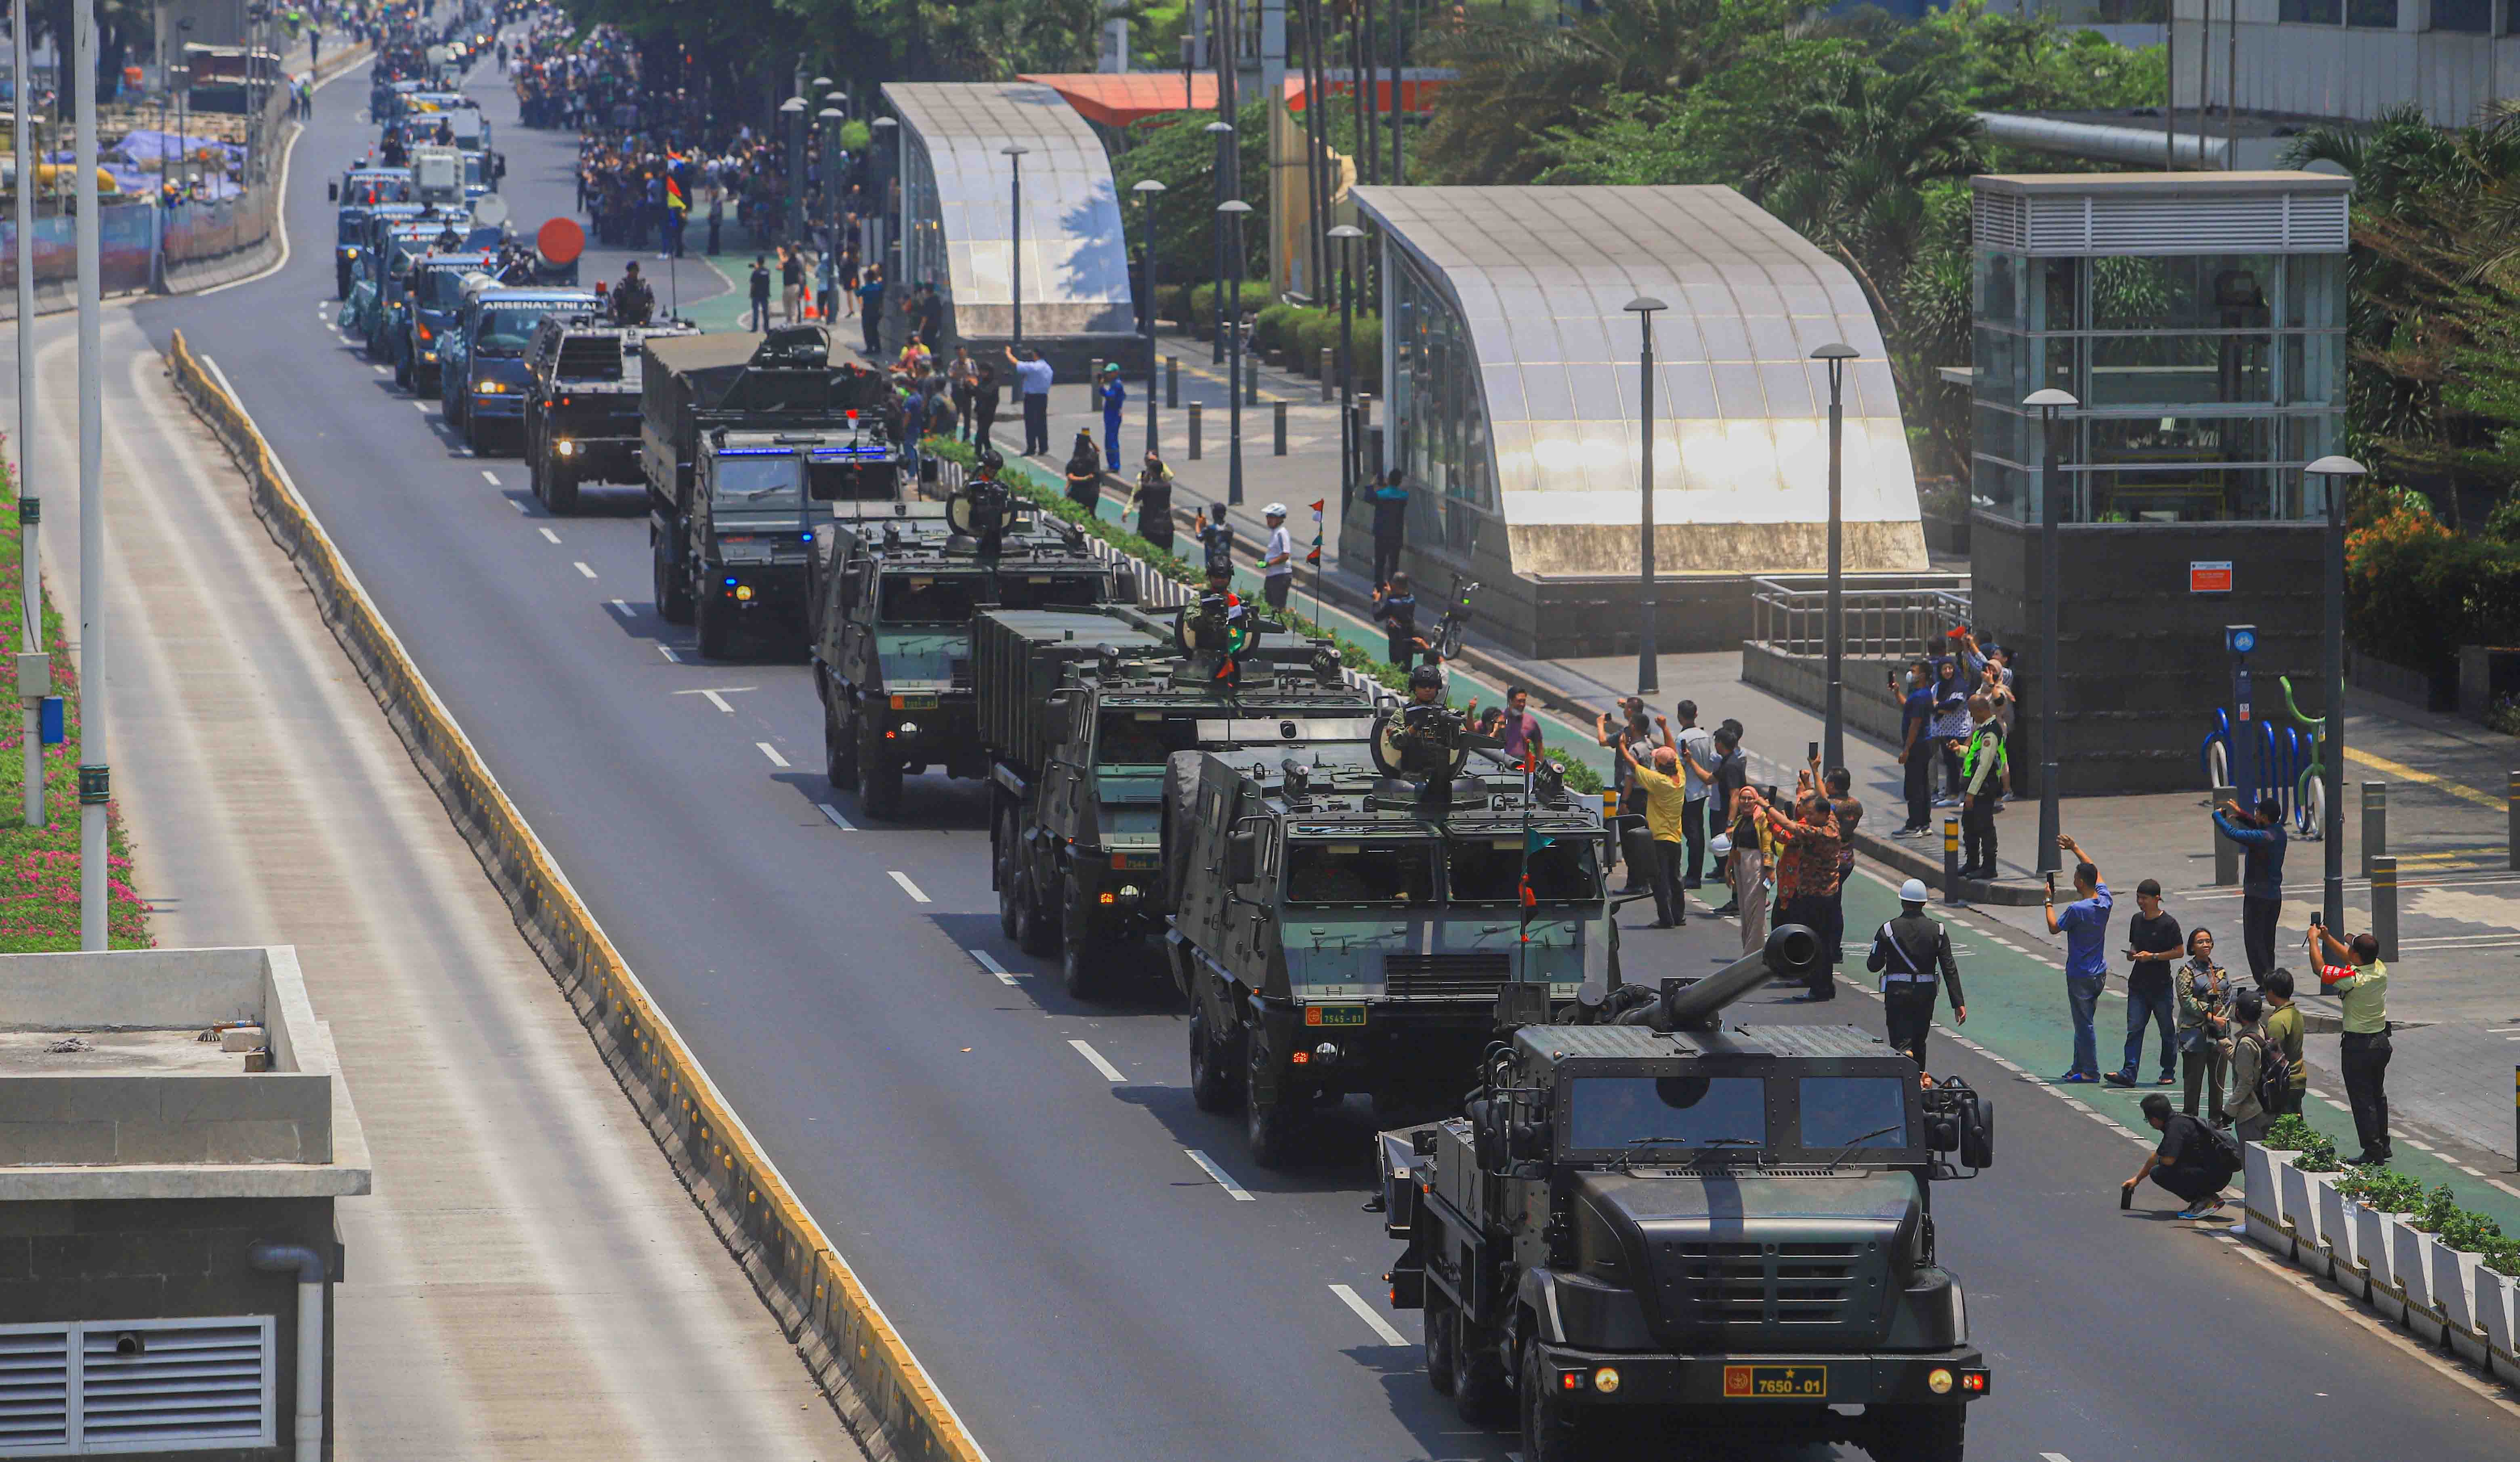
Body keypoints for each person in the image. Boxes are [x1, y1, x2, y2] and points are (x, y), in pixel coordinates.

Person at [2311, 919, 2392, 1164]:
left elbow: (2320, 969)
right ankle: (2383, 1144)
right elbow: (2351, 956)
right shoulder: (2378, 968)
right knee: (2377, 1096)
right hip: (2381, 1042)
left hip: (2359, 1047)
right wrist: (2328, 939)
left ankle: (2372, 1150)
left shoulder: (2353, 979)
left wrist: (2314, 940)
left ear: (2356, 956)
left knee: (2362, 1099)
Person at [1756, 780, 1841, 998]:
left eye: (1812, 814)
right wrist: (1810, 779)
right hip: (1824, 894)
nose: (1808, 817)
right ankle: (1822, 985)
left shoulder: (1821, 833)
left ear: (1822, 816)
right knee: (1820, 941)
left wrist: (1767, 807)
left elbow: (1790, 828)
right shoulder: (1831, 820)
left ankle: (1820, 987)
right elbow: (1825, 799)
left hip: (1817, 896)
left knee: (1817, 942)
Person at [1868, 879, 1965, 1067]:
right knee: (1920, 1041)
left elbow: (1873, 965)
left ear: (1902, 902)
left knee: (1900, 1042)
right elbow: (1949, 968)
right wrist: (1958, 1003)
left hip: (1897, 992)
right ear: (1924, 903)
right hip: (1926, 993)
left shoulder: (1888, 929)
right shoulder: (1938, 931)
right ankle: (1920, 1081)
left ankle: (1904, 1077)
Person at [2043, 832, 2110, 1083]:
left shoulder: (2077, 910)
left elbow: (2053, 927)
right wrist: (2075, 848)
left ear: (2081, 882)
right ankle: (2078, 1066)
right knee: (2084, 1020)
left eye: (2075, 877)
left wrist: (2048, 902)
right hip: (2099, 972)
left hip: (2080, 974)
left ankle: (2090, 1071)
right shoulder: (2105, 901)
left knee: (2084, 1025)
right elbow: (2098, 873)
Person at [2107, 879, 2183, 1088]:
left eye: (2145, 898)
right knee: (2134, 1029)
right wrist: (2133, 955)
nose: (2141, 902)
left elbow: (2179, 951)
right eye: (2138, 898)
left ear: (2157, 898)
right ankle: (2129, 1072)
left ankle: (2168, 1071)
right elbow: (2135, 944)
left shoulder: (2169, 923)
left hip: (2161, 986)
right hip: (2138, 985)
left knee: (2167, 1030)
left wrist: (2154, 957)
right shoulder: (2136, 920)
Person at [2124, 1092, 2242, 1219]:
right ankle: (2208, 1197)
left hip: (2213, 1176)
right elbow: (2157, 1155)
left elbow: (2168, 1160)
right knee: (2164, 1165)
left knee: (2159, 1173)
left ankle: (2204, 1200)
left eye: (2148, 1120)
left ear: (2155, 1119)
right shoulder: (2180, 1120)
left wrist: (2161, 1160)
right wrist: (2137, 1180)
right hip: (2218, 1172)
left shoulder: (2175, 1129)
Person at [2213, 796, 2288, 983]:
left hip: (2257, 898)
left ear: (2264, 817)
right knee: (2267, 942)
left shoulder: (2263, 838)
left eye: (2257, 813)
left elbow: (2233, 834)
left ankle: (2264, 983)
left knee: (2255, 943)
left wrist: (2218, 818)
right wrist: (2242, 815)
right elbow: (2258, 827)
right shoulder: (2278, 832)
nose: (2255, 815)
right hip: (2273, 897)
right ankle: (2270, 980)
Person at [1616, 739, 1689, 929]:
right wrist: (1665, 728)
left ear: (1659, 765)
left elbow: (1633, 765)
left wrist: (1623, 746)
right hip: (1675, 838)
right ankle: (1679, 916)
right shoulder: (1680, 778)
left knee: (1659, 880)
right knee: (1675, 878)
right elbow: (1672, 751)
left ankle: (1666, 919)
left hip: (1659, 840)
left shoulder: (1658, 782)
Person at [1595, 699, 1657, 892]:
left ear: (1633, 725)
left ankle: (1635, 883)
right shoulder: (1649, 744)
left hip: (1631, 797)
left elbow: (1630, 778)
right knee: (1642, 839)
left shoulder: (1631, 746)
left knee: (1630, 842)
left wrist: (1624, 802)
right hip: (1646, 796)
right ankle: (1644, 880)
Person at [2174, 929, 2232, 1122]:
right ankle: (2191, 1124)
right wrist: (2209, 1015)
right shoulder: (2186, 972)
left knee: (2218, 1083)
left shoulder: (2220, 971)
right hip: (2195, 1035)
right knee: (2193, 1084)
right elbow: (2186, 1000)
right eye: (2200, 942)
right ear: (2192, 947)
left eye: (2208, 941)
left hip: (2219, 1035)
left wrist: (2221, 1018)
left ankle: (2217, 1125)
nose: (2205, 945)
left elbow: (2228, 998)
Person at [1955, 694, 2003, 879]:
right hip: (1977, 787)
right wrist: (1959, 749)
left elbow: (1985, 765)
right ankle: (1973, 863)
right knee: (1970, 825)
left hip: (1984, 787)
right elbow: (1976, 755)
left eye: (1973, 712)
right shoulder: (1982, 730)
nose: (1971, 715)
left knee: (1985, 827)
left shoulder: (1991, 732)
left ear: (1982, 711)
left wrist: (1971, 793)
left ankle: (1989, 867)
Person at [2220, 989, 2276, 1144]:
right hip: (2267, 1106)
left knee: (2252, 1163)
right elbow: (2244, 1061)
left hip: (2251, 1112)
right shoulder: (2262, 1030)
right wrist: (2222, 1041)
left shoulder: (2246, 1043)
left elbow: (2246, 1082)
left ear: (2238, 1013)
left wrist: (2229, 1112)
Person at [1672, 702, 1715, 889]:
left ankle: (1692, 876)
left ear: (1680, 716)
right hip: (1702, 789)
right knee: (1697, 832)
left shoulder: (1682, 738)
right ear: (1696, 714)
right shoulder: (1705, 736)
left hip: (1688, 791)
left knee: (1692, 834)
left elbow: (1679, 765)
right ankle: (1694, 874)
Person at [1892, 660, 1935, 835]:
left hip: (1917, 746)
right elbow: (1908, 707)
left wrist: (1906, 750)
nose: (1910, 673)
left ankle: (1915, 824)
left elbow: (1915, 724)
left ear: (1922, 675)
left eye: (1913, 671)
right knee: (1923, 784)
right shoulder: (1921, 694)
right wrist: (1897, 693)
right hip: (1923, 745)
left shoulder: (1920, 696)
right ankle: (1924, 823)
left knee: (1914, 786)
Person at [2261, 968, 2308, 1116]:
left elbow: (2272, 1056)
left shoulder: (2277, 1020)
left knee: (2284, 1129)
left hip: (2285, 1082)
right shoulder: (2295, 1013)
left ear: (2272, 992)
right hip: (2297, 1077)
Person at [1928, 659, 1971, 804]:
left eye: (1950, 668)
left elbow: (1954, 705)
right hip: (1944, 731)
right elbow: (1929, 705)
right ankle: (1953, 795)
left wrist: (1938, 706)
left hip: (1960, 731)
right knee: (1950, 764)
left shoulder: (1960, 686)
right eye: (1945, 669)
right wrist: (1940, 707)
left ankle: (1964, 795)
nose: (1948, 672)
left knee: (1962, 764)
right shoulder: (1937, 687)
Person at [1365, 469, 1409, 584]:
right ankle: (1393, 590)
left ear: (1389, 480)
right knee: (1394, 565)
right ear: (1400, 482)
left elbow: (1368, 497)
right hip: (1396, 536)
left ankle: (1378, 591)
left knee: (1380, 564)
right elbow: (1403, 491)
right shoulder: (1404, 497)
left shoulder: (1381, 495)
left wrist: (1372, 484)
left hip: (1381, 535)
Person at [1007, 347, 1052, 455]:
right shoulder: (1048, 368)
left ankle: (1031, 448)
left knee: (1031, 423)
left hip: (1032, 397)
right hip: (1043, 397)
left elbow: (1016, 363)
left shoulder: (1035, 367)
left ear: (1036, 355)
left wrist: (1008, 353)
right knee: (1042, 422)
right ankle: (1043, 447)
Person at [1127, 453, 1176, 551]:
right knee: (1167, 554)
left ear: (1151, 472)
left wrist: (1144, 482)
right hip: (1167, 526)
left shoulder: (1147, 487)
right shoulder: (1168, 486)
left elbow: (1136, 498)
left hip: (1151, 527)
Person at [1374, 573, 1421, 667]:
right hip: (1409, 639)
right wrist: (1391, 595)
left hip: (1396, 641)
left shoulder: (1392, 603)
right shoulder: (1412, 599)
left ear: (1395, 585)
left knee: (1396, 667)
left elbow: (1377, 616)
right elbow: (1400, 603)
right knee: (1407, 667)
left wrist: (1376, 601)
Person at [1260, 503, 1295, 612]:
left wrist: (1268, 564)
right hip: (1272, 575)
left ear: (1280, 519)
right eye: (1268, 517)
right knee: (1269, 604)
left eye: (1272, 517)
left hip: (1280, 576)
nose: (1268, 520)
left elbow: (1286, 555)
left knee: (1278, 608)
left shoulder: (1282, 533)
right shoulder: (1274, 533)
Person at [1497, 687, 1542, 767]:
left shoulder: (1531, 722)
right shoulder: (1499, 718)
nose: (1522, 704)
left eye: (1524, 701)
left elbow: (1539, 747)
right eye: (1519, 701)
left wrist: (1539, 768)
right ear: (1510, 701)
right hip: (1499, 762)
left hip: (1521, 765)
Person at [1063, 431, 1102, 515]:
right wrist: (1090, 440)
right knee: (1090, 514)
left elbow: (1071, 476)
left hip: (1079, 493)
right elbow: (1098, 451)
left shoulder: (1076, 459)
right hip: (1093, 492)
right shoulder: (1093, 455)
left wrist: (1083, 479)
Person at [1099, 363, 1126, 470]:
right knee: (1109, 439)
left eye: (1110, 373)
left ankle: (1115, 465)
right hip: (1111, 414)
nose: (1108, 375)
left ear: (1116, 373)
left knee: (1112, 440)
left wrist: (1102, 388)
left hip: (1114, 414)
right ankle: (1112, 464)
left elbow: (1111, 397)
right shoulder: (1114, 384)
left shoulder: (1117, 384)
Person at [971, 362, 1002, 453]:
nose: (983, 374)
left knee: (979, 438)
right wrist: (968, 385)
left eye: (985, 372)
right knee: (985, 438)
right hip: (980, 413)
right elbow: (975, 393)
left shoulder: (994, 384)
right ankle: (991, 455)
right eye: (982, 371)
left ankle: (978, 457)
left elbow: (986, 393)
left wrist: (976, 386)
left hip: (988, 414)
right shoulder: (982, 382)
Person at [611, 260, 653, 325]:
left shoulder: (644, 286)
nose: (635, 272)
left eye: (636, 270)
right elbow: (614, 303)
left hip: (641, 318)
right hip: (625, 318)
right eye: (633, 270)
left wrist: (648, 317)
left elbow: (651, 302)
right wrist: (617, 318)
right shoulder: (622, 285)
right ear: (629, 271)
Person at [856, 266, 885, 355]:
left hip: (867, 311)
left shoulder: (865, 288)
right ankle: (878, 347)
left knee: (867, 330)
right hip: (877, 311)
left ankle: (870, 348)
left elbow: (858, 293)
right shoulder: (879, 287)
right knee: (875, 329)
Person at [780, 245, 806, 324]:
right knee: (794, 307)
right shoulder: (798, 264)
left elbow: (779, 267)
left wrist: (781, 256)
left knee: (787, 306)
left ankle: (789, 322)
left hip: (787, 287)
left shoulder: (787, 264)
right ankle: (794, 323)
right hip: (796, 287)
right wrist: (802, 289)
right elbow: (801, 277)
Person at [747, 254, 771, 332]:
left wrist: (751, 293)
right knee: (765, 312)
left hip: (756, 294)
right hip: (765, 294)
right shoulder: (767, 271)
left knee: (756, 312)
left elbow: (753, 284)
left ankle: (755, 328)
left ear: (758, 262)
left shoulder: (756, 272)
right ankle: (766, 328)